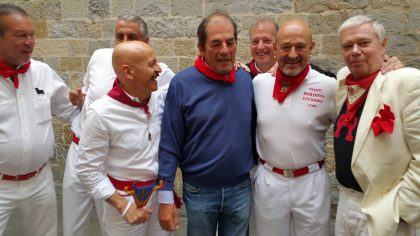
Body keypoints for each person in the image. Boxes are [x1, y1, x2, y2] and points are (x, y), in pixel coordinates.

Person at [63, 14, 174, 236]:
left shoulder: (160, 96)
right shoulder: (102, 113)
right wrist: (123, 206)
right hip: (124, 200)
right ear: (127, 71)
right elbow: (86, 168)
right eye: (152, 64)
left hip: (159, 195)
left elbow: (192, 86)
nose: (159, 70)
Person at [157, 12, 254, 236]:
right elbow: (169, 145)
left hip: (240, 190)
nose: (224, 50)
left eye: (230, 42)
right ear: (201, 48)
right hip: (199, 191)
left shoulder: (245, 80)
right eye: (215, 43)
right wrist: (165, 197)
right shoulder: (181, 85)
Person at [334, 15, 420, 236]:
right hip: (346, 203)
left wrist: (401, 210)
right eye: (347, 46)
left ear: (383, 45)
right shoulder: (344, 79)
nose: (354, 51)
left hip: (383, 211)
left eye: (363, 43)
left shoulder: (406, 81)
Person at [0, 3, 79, 236]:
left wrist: (80, 102)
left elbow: (69, 110)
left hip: (39, 181)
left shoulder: (42, 72)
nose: (29, 41)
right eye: (20, 35)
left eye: (32, 35)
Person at [252, 19, 336, 236]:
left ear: (312, 47)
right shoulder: (259, 84)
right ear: (276, 49)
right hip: (270, 181)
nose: (292, 54)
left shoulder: (329, 87)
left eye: (300, 47)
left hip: (311, 183)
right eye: (286, 47)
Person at [247, 18, 336, 79]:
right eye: (255, 41)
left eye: (267, 41)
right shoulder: (242, 75)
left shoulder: (306, 73)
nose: (260, 47)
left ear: (276, 46)